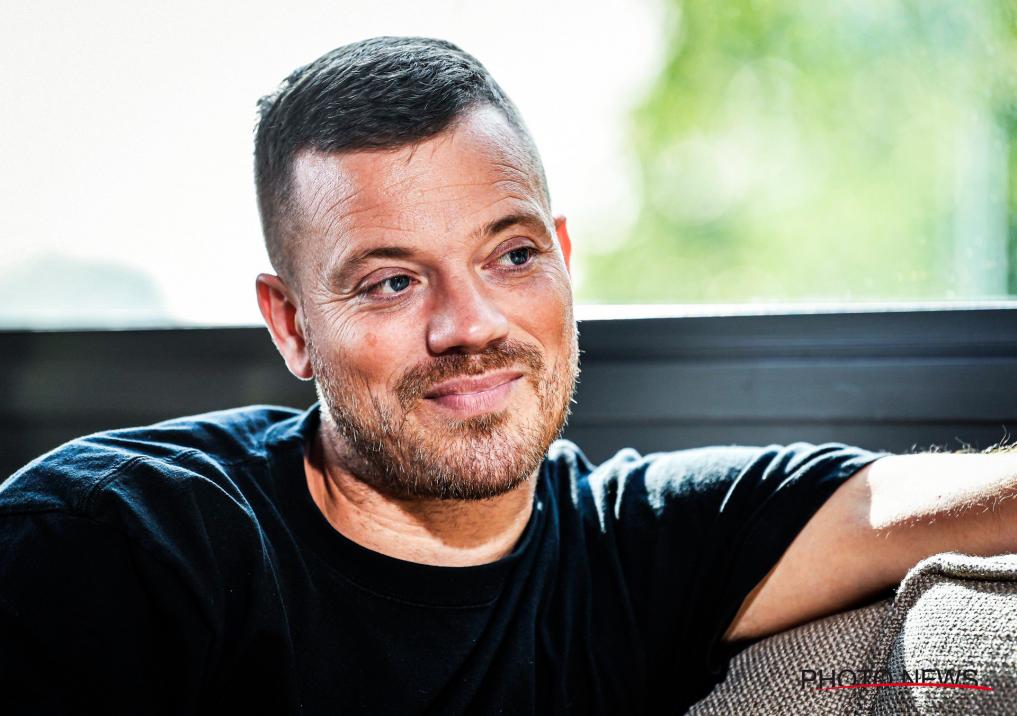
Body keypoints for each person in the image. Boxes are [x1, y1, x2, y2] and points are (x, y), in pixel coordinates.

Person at [1, 36, 1015, 715]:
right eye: (391, 281)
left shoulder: (641, 547)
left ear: (564, 259)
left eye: (512, 254)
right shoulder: (112, 542)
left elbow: (948, 501)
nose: (471, 324)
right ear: (292, 325)